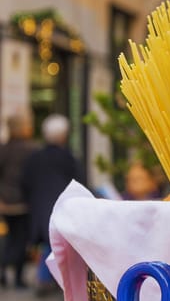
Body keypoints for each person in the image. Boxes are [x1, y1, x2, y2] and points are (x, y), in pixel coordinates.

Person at [21, 114, 83, 295]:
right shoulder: (68, 157)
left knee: (48, 243)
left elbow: (25, 182)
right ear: (64, 135)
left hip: (39, 207)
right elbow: (78, 183)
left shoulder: (34, 157)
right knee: (58, 243)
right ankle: (49, 278)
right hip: (62, 206)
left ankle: (48, 278)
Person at [0, 111, 37, 289]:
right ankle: (18, 278)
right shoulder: (32, 150)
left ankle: (3, 272)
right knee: (21, 241)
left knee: (9, 238)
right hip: (24, 203)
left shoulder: (3, 149)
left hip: (5, 203)